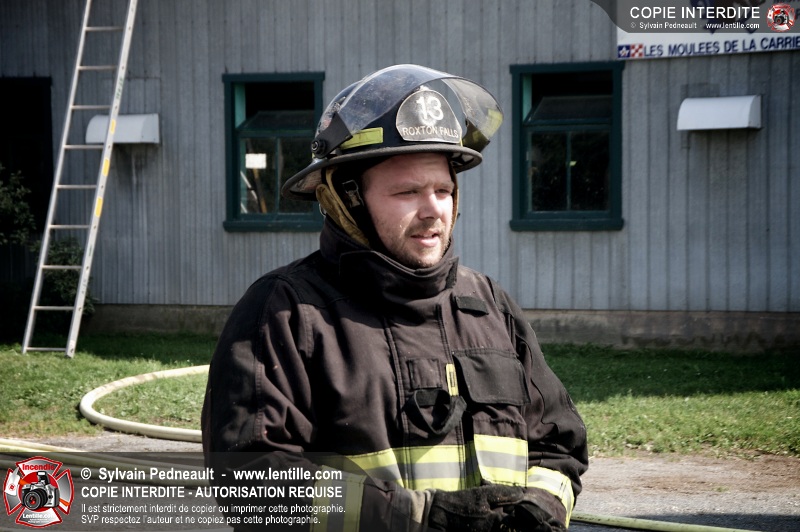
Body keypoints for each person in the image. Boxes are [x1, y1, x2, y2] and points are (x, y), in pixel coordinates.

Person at [202, 64, 588, 531]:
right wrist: (419, 518)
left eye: (443, 190)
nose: (433, 210)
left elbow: (558, 446)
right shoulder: (286, 313)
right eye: (408, 192)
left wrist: (540, 509)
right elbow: (252, 480)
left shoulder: (489, 306)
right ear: (347, 200)